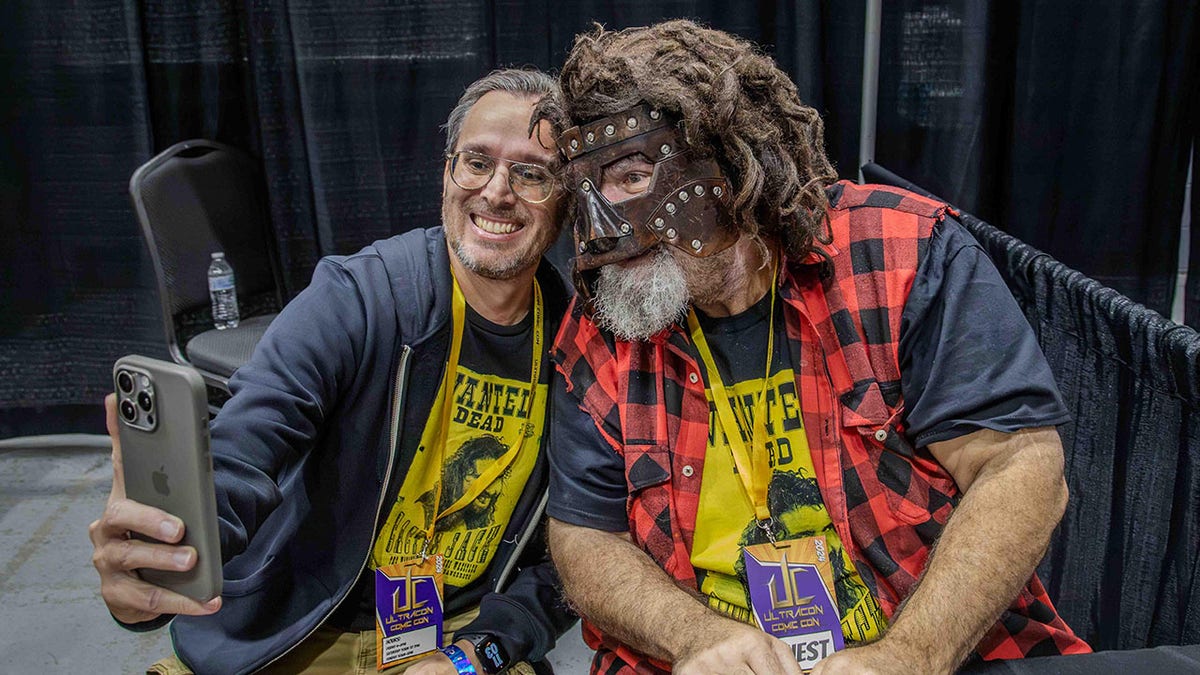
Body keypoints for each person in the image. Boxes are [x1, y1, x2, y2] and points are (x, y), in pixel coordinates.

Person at [538, 21, 1092, 674]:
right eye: (591, 189)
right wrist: (693, 636)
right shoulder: (605, 323)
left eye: (632, 173)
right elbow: (584, 534)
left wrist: (906, 657)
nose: (604, 221)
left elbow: (1020, 468)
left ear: (731, 159)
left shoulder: (898, 256)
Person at [90, 68, 575, 674]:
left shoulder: (577, 346)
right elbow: (246, 448)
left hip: (454, 635)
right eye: (476, 162)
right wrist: (164, 552)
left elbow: (572, 554)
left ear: (567, 197)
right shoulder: (358, 296)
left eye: (531, 173)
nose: (497, 192)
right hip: (298, 630)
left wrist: (478, 653)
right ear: (447, 173)